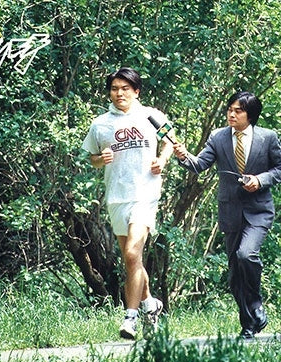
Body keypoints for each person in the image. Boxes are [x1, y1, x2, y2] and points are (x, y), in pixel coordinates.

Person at [173, 91, 281, 339]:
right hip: (230, 211)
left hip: (259, 210)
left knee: (246, 254)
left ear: (250, 115)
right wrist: (183, 156)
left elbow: (279, 168)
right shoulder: (218, 137)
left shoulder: (268, 137)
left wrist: (260, 180)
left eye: (238, 111)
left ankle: (256, 304)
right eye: (229, 109)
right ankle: (248, 325)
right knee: (235, 273)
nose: (231, 114)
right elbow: (199, 165)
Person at [82, 67, 174, 339]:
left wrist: (162, 160)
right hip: (117, 196)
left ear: (136, 91)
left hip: (145, 193)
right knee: (131, 261)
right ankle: (150, 304)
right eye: (114, 89)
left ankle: (130, 318)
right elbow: (92, 159)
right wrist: (101, 159)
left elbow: (170, 142)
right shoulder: (100, 124)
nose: (119, 93)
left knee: (133, 254)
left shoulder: (151, 116)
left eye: (125, 88)